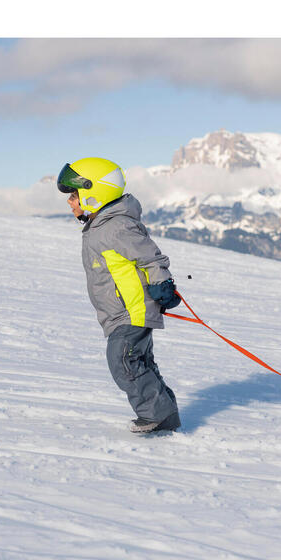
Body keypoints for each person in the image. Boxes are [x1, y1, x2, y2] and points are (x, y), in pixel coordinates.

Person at [57, 157, 182, 434]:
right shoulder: (101, 225)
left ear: (94, 193)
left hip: (132, 311)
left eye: (74, 195)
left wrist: (163, 284)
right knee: (139, 361)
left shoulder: (116, 227)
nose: (70, 201)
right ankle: (166, 416)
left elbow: (150, 257)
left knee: (122, 360)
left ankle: (156, 415)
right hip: (121, 312)